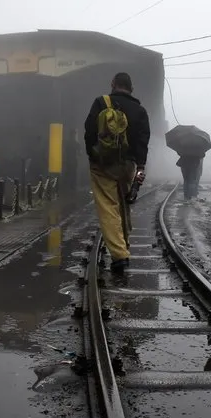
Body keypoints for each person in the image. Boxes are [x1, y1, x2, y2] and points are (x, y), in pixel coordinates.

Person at [84, 72, 150, 273]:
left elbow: (89, 131)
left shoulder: (101, 103)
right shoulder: (140, 110)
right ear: (131, 88)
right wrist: (140, 167)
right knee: (123, 205)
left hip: (103, 164)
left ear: (113, 84)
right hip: (128, 165)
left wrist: (94, 155)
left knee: (108, 207)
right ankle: (124, 243)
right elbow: (142, 142)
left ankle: (120, 256)